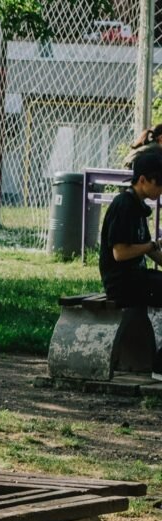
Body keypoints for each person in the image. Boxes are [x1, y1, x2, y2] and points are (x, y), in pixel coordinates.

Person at [99, 151, 162, 379]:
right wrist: (152, 245)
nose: (161, 189)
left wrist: (153, 247)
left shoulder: (138, 206)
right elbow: (120, 253)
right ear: (143, 180)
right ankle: (159, 365)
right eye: (159, 183)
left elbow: (149, 248)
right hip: (122, 283)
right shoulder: (124, 205)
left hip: (137, 277)